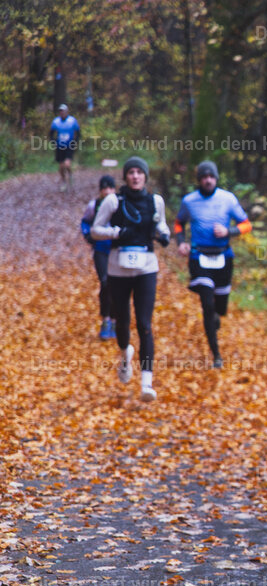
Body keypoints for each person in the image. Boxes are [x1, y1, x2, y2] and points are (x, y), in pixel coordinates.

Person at [90, 157, 171, 401]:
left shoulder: (156, 201)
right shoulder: (114, 201)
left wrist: (164, 235)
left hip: (146, 266)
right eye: (131, 172)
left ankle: (147, 383)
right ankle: (126, 353)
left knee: (145, 324)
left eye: (139, 172)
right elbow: (95, 229)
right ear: (125, 177)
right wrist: (116, 232)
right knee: (123, 322)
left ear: (145, 176)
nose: (135, 176)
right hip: (118, 268)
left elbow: (162, 225)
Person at [173, 160, 252, 369]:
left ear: (216, 178)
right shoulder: (189, 201)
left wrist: (229, 232)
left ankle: (217, 316)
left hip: (223, 257)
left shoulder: (228, 199)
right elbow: (178, 223)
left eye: (211, 176)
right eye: (204, 177)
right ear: (199, 179)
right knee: (207, 305)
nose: (208, 180)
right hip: (199, 257)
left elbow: (246, 225)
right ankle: (216, 354)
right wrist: (181, 243)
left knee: (219, 308)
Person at [80, 175, 118, 339]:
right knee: (105, 282)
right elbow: (85, 221)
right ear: (100, 190)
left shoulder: (119, 204)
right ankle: (106, 319)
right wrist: (88, 235)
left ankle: (116, 320)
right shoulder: (93, 205)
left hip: (117, 249)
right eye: (104, 188)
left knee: (118, 285)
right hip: (101, 250)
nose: (107, 191)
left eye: (110, 188)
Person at [49, 104, 80, 192]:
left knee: (67, 164)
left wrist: (75, 142)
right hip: (59, 147)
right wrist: (53, 142)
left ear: (67, 112)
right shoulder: (56, 121)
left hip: (69, 146)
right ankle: (63, 181)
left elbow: (78, 132)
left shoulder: (72, 121)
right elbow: (51, 133)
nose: (61, 113)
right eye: (60, 111)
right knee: (61, 167)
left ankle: (70, 175)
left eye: (63, 111)